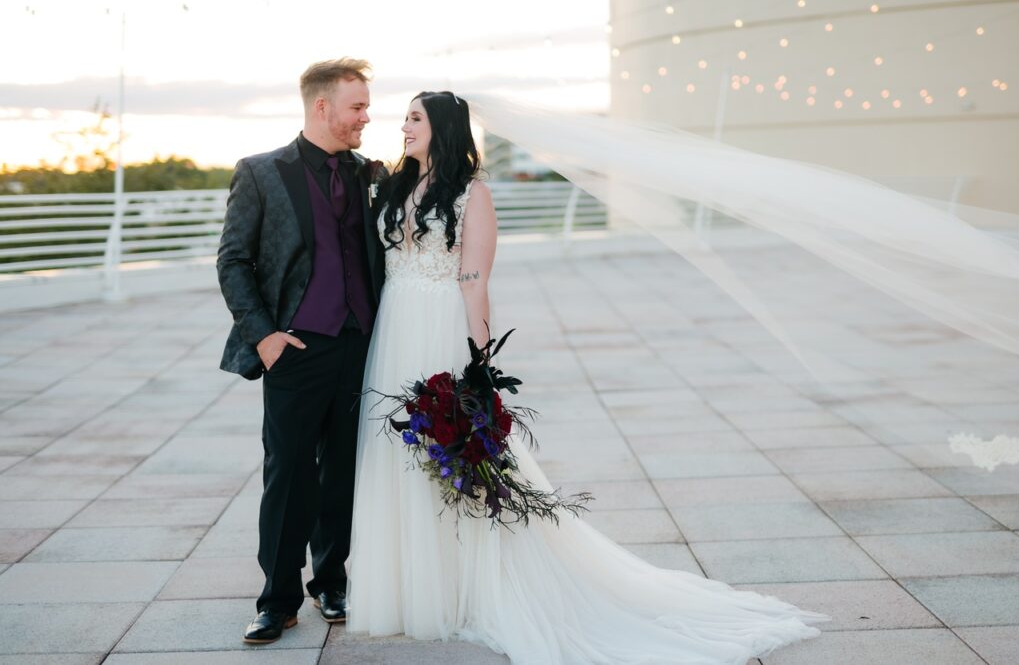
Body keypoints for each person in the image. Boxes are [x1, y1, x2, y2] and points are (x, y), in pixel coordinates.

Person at [344, 90, 829, 664]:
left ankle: (463, 588)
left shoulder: (473, 194)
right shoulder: (395, 186)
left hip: (438, 331)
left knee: (454, 457)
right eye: (404, 117)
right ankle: (409, 589)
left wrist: (479, 368)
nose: (403, 126)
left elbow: (474, 280)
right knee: (398, 456)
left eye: (415, 118)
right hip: (395, 329)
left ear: (444, 128)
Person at [216, 57, 385, 645]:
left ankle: (331, 582)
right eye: (357, 106)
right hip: (293, 345)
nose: (367, 116)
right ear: (323, 107)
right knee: (288, 471)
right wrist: (263, 336)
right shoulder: (262, 172)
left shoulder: (372, 173)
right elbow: (233, 260)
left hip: (359, 343)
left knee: (341, 467)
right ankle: (278, 597)